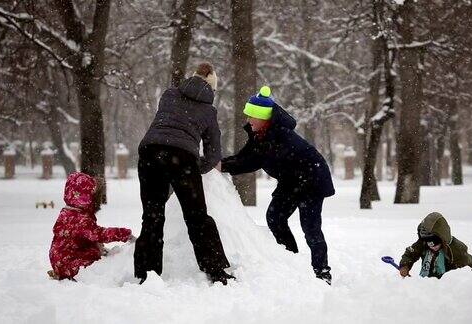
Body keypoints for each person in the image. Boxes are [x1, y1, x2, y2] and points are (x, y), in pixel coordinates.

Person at [219, 86, 334, 284]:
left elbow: (252, 162)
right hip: (291, 180)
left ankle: (322, 272)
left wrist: (222, 166)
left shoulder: (279, 135)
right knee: (275, 217)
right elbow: (244, 156)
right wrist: (220, 162)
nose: (248, 120)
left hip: (312, 180)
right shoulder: (260, 134)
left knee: (311, 228)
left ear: (263, 118)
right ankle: (290, 259)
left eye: (251, 117)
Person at [134, 63, 234, 285]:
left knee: (152, 215)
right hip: (183, 157)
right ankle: (216, 270)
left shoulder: (169, 95)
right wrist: (194, 170)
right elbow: (213, 153)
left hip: (150, 151)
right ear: (212, 89)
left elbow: (167, 123)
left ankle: (146, 274)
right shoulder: (209, 111)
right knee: (197, 216)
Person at [48, 172, 132, 280]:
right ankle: (71, 274)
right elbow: (100, 234)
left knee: (90, 244)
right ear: (86, 197)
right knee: (97, 255)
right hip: (71, 264)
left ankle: (61, 271)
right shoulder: (79, 219)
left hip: (58, 260)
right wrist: (123, 234)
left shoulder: (67, 213)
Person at [399, 212, 472, 279]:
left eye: (435, 242)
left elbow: (468, 269)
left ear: (442, 238)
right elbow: (410, 253)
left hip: (447, 290)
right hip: (426, 284)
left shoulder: (457, 249)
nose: (432, 246)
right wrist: (405, 266)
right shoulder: (423, 243)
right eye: (428, 242)